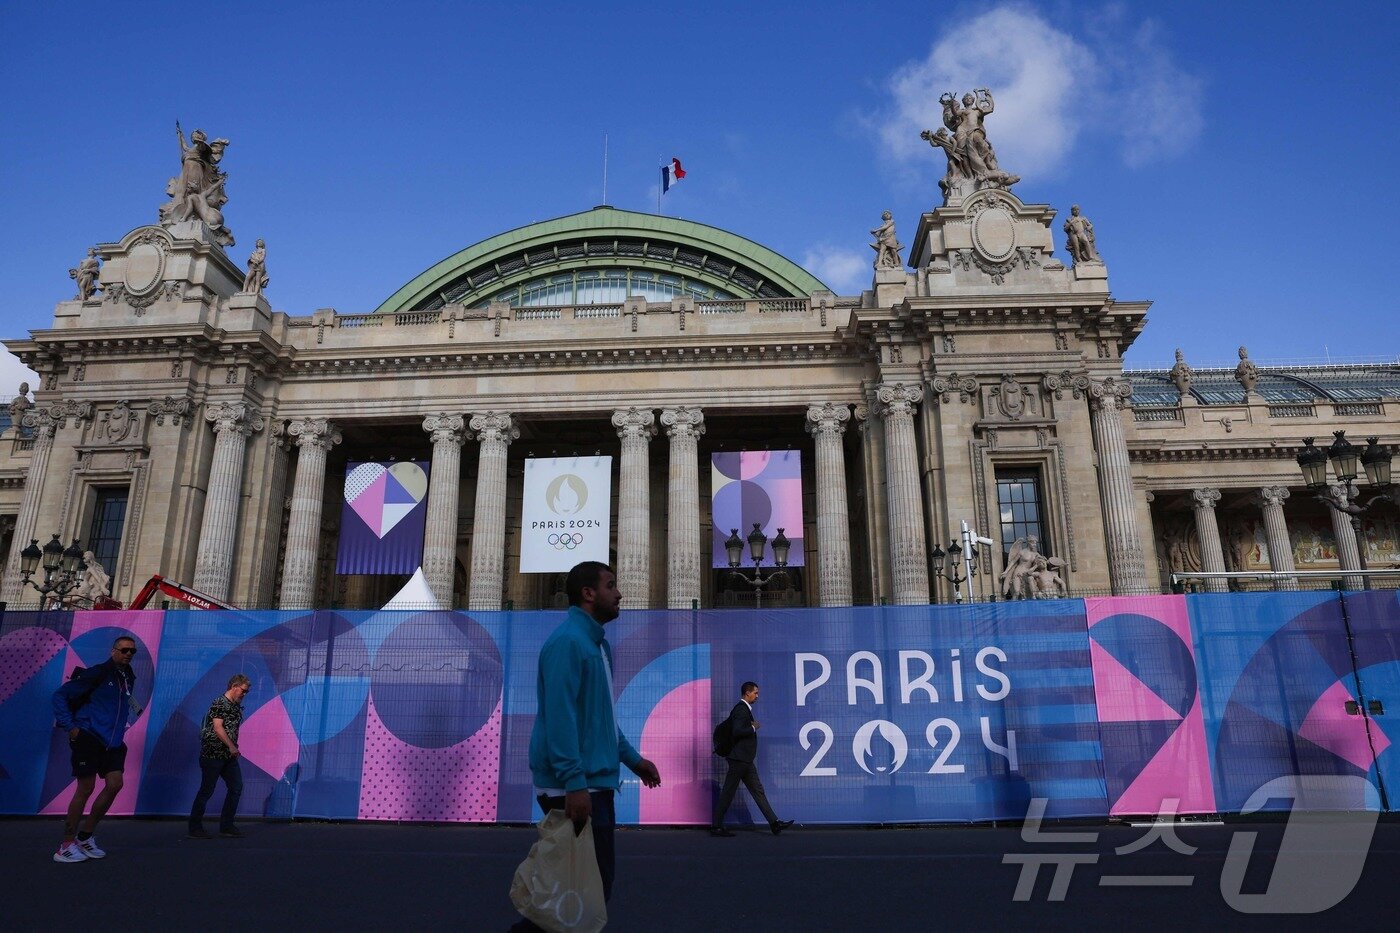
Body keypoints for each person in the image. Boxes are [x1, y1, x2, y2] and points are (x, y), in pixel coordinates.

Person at [518, 561, 661, 923]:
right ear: (588, 593)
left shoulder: (596, 645)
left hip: (591, 782)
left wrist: (633, 760)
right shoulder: (568, 643)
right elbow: (560, 717)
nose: (619, 594)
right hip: (574, 786)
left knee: (585, 886)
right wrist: (574, 782)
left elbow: (601, 719)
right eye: (611, 586)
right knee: (575, 888)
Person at [50, 634, 142, 863]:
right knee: (86, 788)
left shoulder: (129, 676)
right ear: (113, 651)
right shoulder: (97, 672)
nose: (128, 654)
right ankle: (66, 845)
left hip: (113, 742)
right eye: (124, 650)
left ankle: (85, 836)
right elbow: (60, 696)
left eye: (132, 651)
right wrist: (71, 727)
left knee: (115, 784)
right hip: (89, 736)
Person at [711, 681, 794, 837]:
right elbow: (737, 731)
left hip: (745, 760)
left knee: (758, 791)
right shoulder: (741, 709)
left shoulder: (743, 709)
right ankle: (716, 826)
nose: (757, 696)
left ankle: (774, 823)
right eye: (755, 693)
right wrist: (753, 727)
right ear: (747, 693)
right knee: (728, 792)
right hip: (739, 759)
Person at [189, 674, 252, 838]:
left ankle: (227, 825)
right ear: (234, 687)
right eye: (243, 691)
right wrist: (232, 747)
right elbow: (218, 727)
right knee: (206, 790)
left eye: (246, 692)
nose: (244, 695)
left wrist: (231, 749)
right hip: (213, 754)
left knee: (236, 787)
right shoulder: (219, 703)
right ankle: (195, 828)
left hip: (228, 756)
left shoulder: (234, 706)